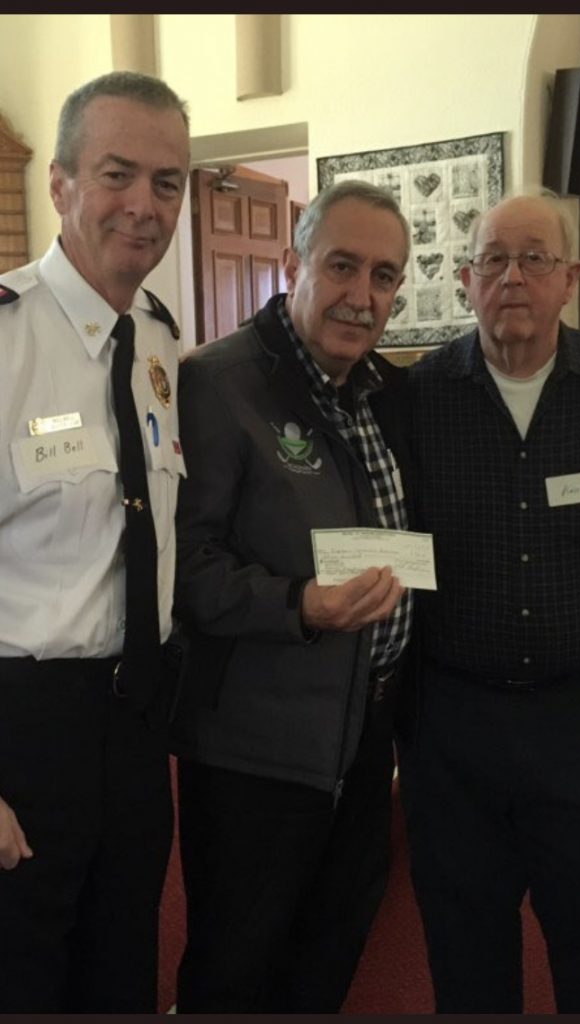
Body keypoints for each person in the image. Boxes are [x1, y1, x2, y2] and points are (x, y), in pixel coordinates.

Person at [402, 189, 580, 1014]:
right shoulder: (416, 399)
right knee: (464, 944)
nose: (512, 277)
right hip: (453, 726)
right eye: (492, 260)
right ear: (463, 279)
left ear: (569, 278)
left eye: (534, 259)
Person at [171, 179, 412, 1012]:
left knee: (328, 951)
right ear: (291, 265)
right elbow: (186, 570)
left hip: (358, 733)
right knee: (236, 969)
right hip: (254, 747)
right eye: (341, 266)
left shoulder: (378, 388)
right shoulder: (218, 382)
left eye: (383, 277)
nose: (361, 295)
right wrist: (300, 605)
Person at [0, 71, 190, 1011]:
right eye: (119, 174)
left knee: (122, 964)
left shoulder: (157, 340)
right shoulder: (5, 340)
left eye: (168, 182)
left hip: (134, 718)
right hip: (22, 728)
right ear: (61, 185)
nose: (145, 206)